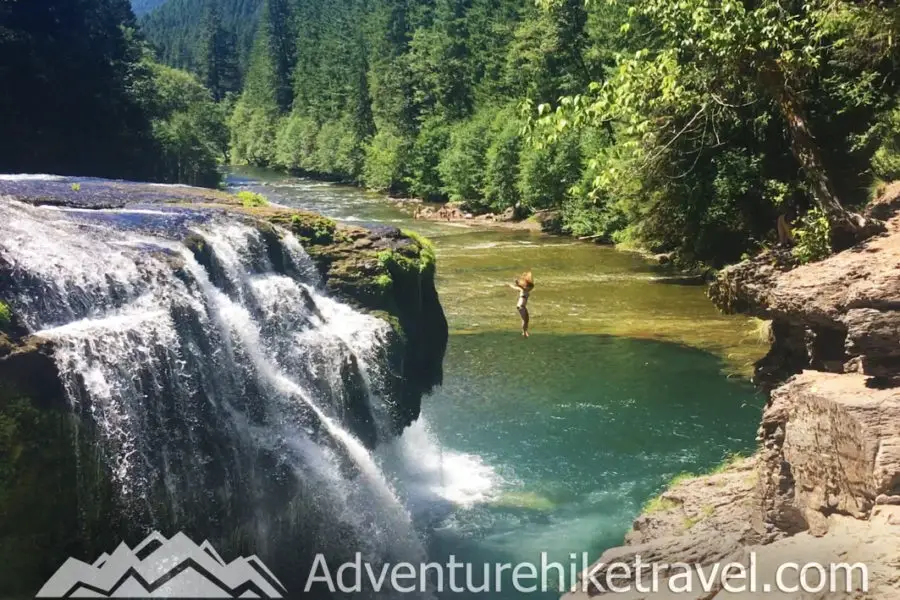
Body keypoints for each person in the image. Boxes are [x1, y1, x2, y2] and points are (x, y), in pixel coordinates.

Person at [508, 271, 534, 337]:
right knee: (524, 320)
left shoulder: (526, 290)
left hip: (523, 306)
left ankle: (525, 331)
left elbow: (523, 287)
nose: (530, 289)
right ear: (527, 287)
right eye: (529, 288)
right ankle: (524, 333)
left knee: (527, 319)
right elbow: (517, 287)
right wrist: (515, 283)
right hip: (521, 306)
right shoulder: (523, 290)